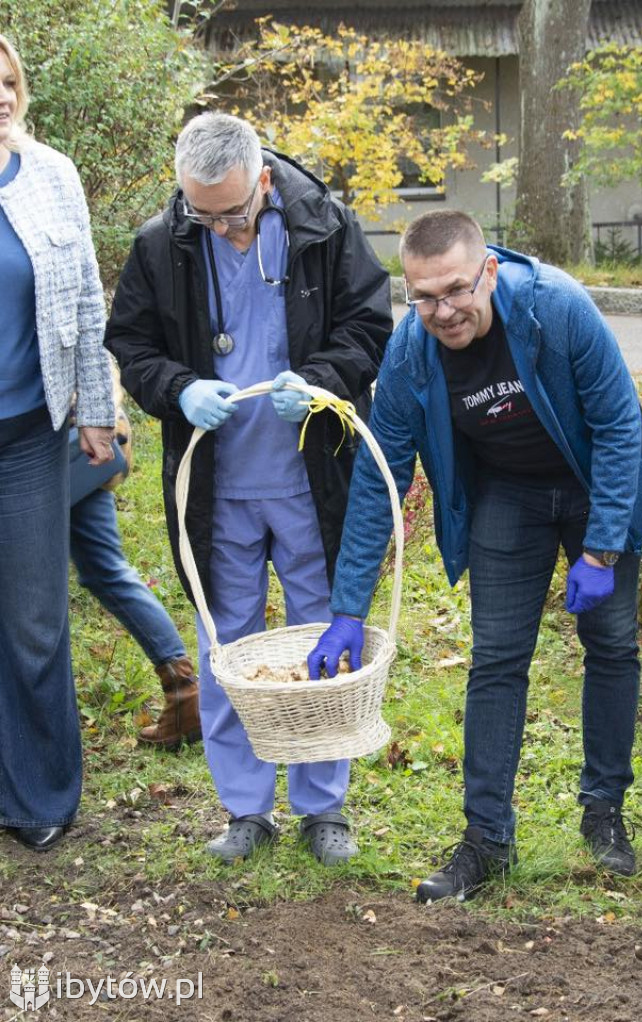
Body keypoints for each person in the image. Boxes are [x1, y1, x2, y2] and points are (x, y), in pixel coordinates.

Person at [307, 209, 642, 903]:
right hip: (508, 497)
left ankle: (605, 814)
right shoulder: (411, 352)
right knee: (497, 660)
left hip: (595, 487)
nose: (443, 311)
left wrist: (603, 548)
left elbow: (621, 426)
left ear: (489, 272)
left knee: (613, 644)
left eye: (456, 290)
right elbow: (382, 479)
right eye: (424, 296)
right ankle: (487, 839)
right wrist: (347, 607)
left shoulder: (556, 309)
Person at [105, 112, 392, 864]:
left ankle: (323, 806)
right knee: (225, 645)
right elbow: (131, 345)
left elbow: (370, 327)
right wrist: (179, 388)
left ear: (263, 179)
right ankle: (245, 810)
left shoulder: (326, 230)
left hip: (307, 477)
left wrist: (324, 382)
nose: (223, 229)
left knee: (320, 639)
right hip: (218, 485)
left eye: (234, 213)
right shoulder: (160, 243)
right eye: (204, 215)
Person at [0, 33, 116, 852]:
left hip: (27, 441)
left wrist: (98, 410)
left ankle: (41, 798)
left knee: (36, 625)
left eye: (8, 82)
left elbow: (84, 304)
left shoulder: (51, 176)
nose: (2, 96)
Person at [70, 365, 200, 749]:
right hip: (83, 430)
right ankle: (185, 692)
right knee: (105, 569)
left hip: (57, 437)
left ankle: (185, 694)